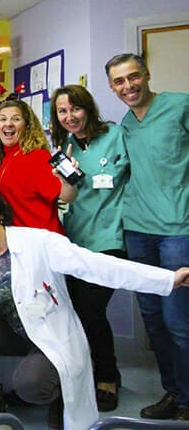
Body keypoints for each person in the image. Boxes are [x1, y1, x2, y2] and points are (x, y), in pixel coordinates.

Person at [0, 185, 189, 430]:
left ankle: (57, 396)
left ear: (0, 212)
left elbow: (96, 265)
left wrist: (166, 279)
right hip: (15, 331)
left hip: (49, 336)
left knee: (31, 387)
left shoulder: (39, 242)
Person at [105, 53, 189, 421]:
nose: (128, 86)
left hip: (178, 230)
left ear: (147, 74)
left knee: (179, 322)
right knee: (152, 318)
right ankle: (173, 393)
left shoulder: (179, 106)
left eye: (133, 77)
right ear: (112, 87)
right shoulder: (124, 125)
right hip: (138, 230)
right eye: (119, 82)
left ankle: (187, 400)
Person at [51, 84, 129, 412]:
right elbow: (65, 196)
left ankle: (108, 376)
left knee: (91, 309)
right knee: (78, 311)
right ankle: (93, 371)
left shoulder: (116, 136)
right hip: (77, 240)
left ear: (88, 109)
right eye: (62, 112)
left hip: (111, 239)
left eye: (76, 109)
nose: (70, 117)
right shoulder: (65, 148)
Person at [0, 99, 77, 233]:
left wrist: (67, 181)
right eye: (3, 119)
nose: (8, 124)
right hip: (21, 242)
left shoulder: (37, 157)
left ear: (27, 125)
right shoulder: (5, 158)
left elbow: (68, 197)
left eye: (16, 119)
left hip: (43, 242)